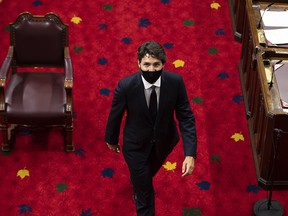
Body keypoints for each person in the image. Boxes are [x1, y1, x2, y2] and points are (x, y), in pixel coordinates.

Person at [105, 40, 197, 216]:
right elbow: (115, 115)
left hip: (164, 143)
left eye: (156, 64)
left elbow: (186, 117)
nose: (151, 70)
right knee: (145, 194)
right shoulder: (126, 86)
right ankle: (140, 189)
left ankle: (138, 182)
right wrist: (111, 139)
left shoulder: (175, 82)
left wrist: (190, 153)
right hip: (135, 147)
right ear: (138, 63)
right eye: (146, 64)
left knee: (145, 176)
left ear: (163, 64)